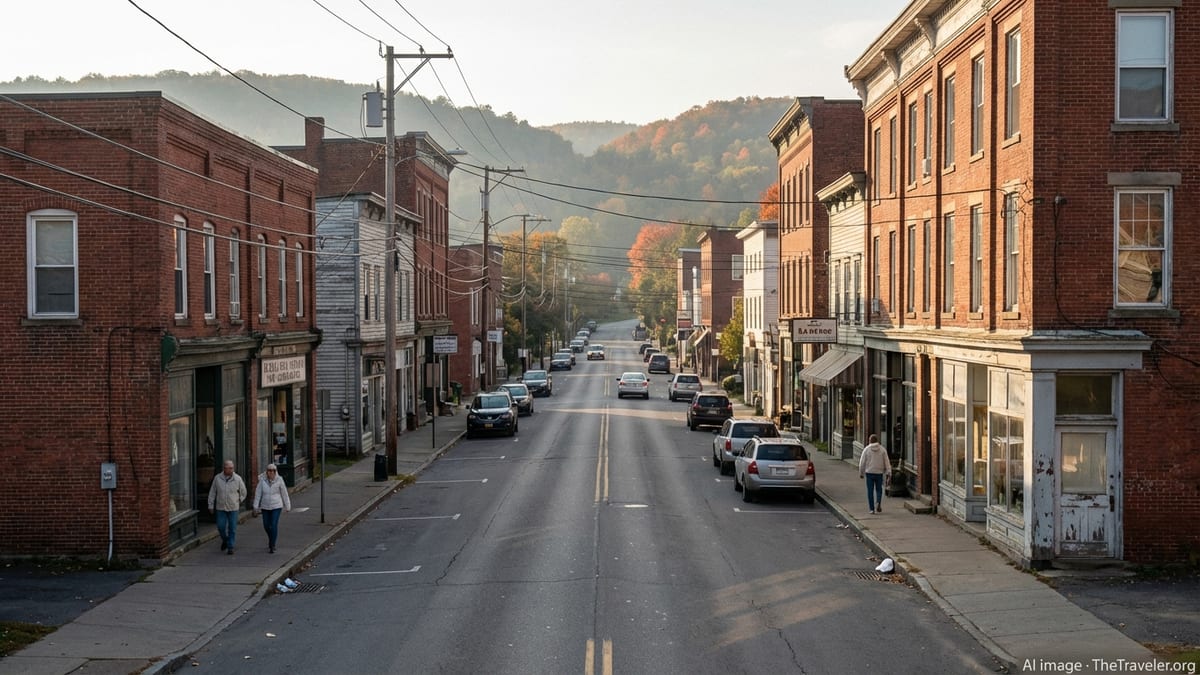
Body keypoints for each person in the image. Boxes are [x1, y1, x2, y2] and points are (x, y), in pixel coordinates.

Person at [207, 460, 247, 554]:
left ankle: (230, 547)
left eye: (232, 468)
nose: (231, 470)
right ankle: (225, 540)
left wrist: (239, 500)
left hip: (233, 507)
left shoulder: (237, 479)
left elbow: (244, 492)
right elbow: (212, 492)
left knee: (232, 528)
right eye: (229, 468)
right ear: (224, 468)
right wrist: (210, 505)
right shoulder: (217, 478)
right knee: (220, 527)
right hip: (221, 507)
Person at [253, 463, 291, 554]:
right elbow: (258, 494)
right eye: (269, 470)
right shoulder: (262, 481)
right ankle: (271, 537)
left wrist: (287, 505)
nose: (271, 472)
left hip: (276, 506)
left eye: (273, 471)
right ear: (266, 472)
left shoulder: (279, 480)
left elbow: (284, 493)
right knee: (266, 525)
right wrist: (255, 507)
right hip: (265, 506)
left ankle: (272, 544)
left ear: (275, 471)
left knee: (273, 524)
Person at [859, 434, 892, 514]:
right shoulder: (882, 450)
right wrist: (889, 472)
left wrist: (861, 473)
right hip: (879, 473)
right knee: (879, 489)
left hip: (869, 472)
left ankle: (871, 509)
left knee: (870, 491)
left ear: (870, 441)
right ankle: (878, 501)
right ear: (877, 441)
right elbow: (887, 462)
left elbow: (862, 462)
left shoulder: (866, 449)